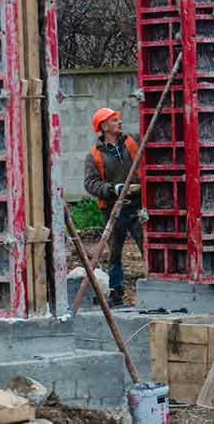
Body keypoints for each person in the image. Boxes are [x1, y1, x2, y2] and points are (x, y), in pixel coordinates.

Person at [82, 107, 144, 307]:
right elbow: (90, 184)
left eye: (118, 119)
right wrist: (112, 188)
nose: (120, 122)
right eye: (114, 120)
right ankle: (116, 292)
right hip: (113, 208)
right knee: (115, 252)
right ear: (104, 126)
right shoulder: (94, 156)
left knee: (147, 245)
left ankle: (156, 282)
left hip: (137, 205)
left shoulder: (133, 141)